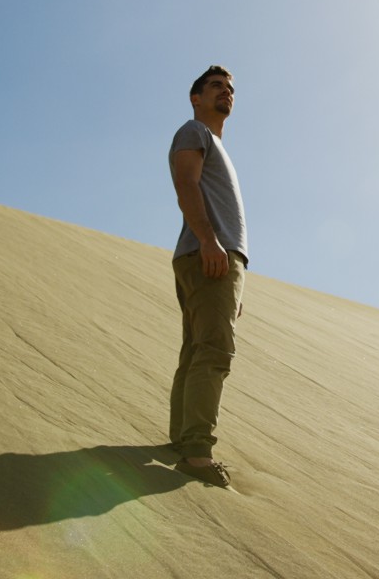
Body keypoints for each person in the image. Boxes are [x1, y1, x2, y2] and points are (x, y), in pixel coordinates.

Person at [166, 65, 248, 488]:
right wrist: (210, 242)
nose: (226, 93)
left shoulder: (215, 143)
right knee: (215, 351)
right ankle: (197, 454)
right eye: (216, 86)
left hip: (213, 255)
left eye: (230, 89)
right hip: (208, 252)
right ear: (195, 97)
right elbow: (186, 184)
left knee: (197, 350)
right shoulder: (193, 132)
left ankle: (182, 441)